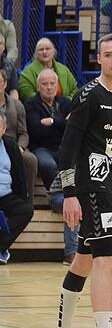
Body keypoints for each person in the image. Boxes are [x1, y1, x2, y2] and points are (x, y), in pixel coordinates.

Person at [52, 33, 112, 328]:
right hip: (90, 186)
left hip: (110, 188)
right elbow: (68, 147)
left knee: (84, 259)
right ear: (99, 58)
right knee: (106, 258)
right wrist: (70, 194)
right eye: (108, 54)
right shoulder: (89, 95)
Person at [0, 111, 33, 265]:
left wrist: (22, 199)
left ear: (4, 128)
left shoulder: (10, 146)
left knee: (26, 210)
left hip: (7, 195)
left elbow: (19, 176)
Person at [0, 70, 35, 202]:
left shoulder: (16, 105)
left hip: (13, 145)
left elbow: (23, 132)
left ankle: (27, 201)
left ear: (5, 84)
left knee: (30, 160)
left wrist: (20, 147)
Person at [18, 38, 78, 102]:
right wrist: (50, 103)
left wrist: (66, 102)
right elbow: (26, 95)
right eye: (41, 50)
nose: (44, 52)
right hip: (39, 109)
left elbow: (75, 89)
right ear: (36, 54)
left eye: (48, 49)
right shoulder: (27, 73)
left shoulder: (64, 69)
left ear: (53, 51)